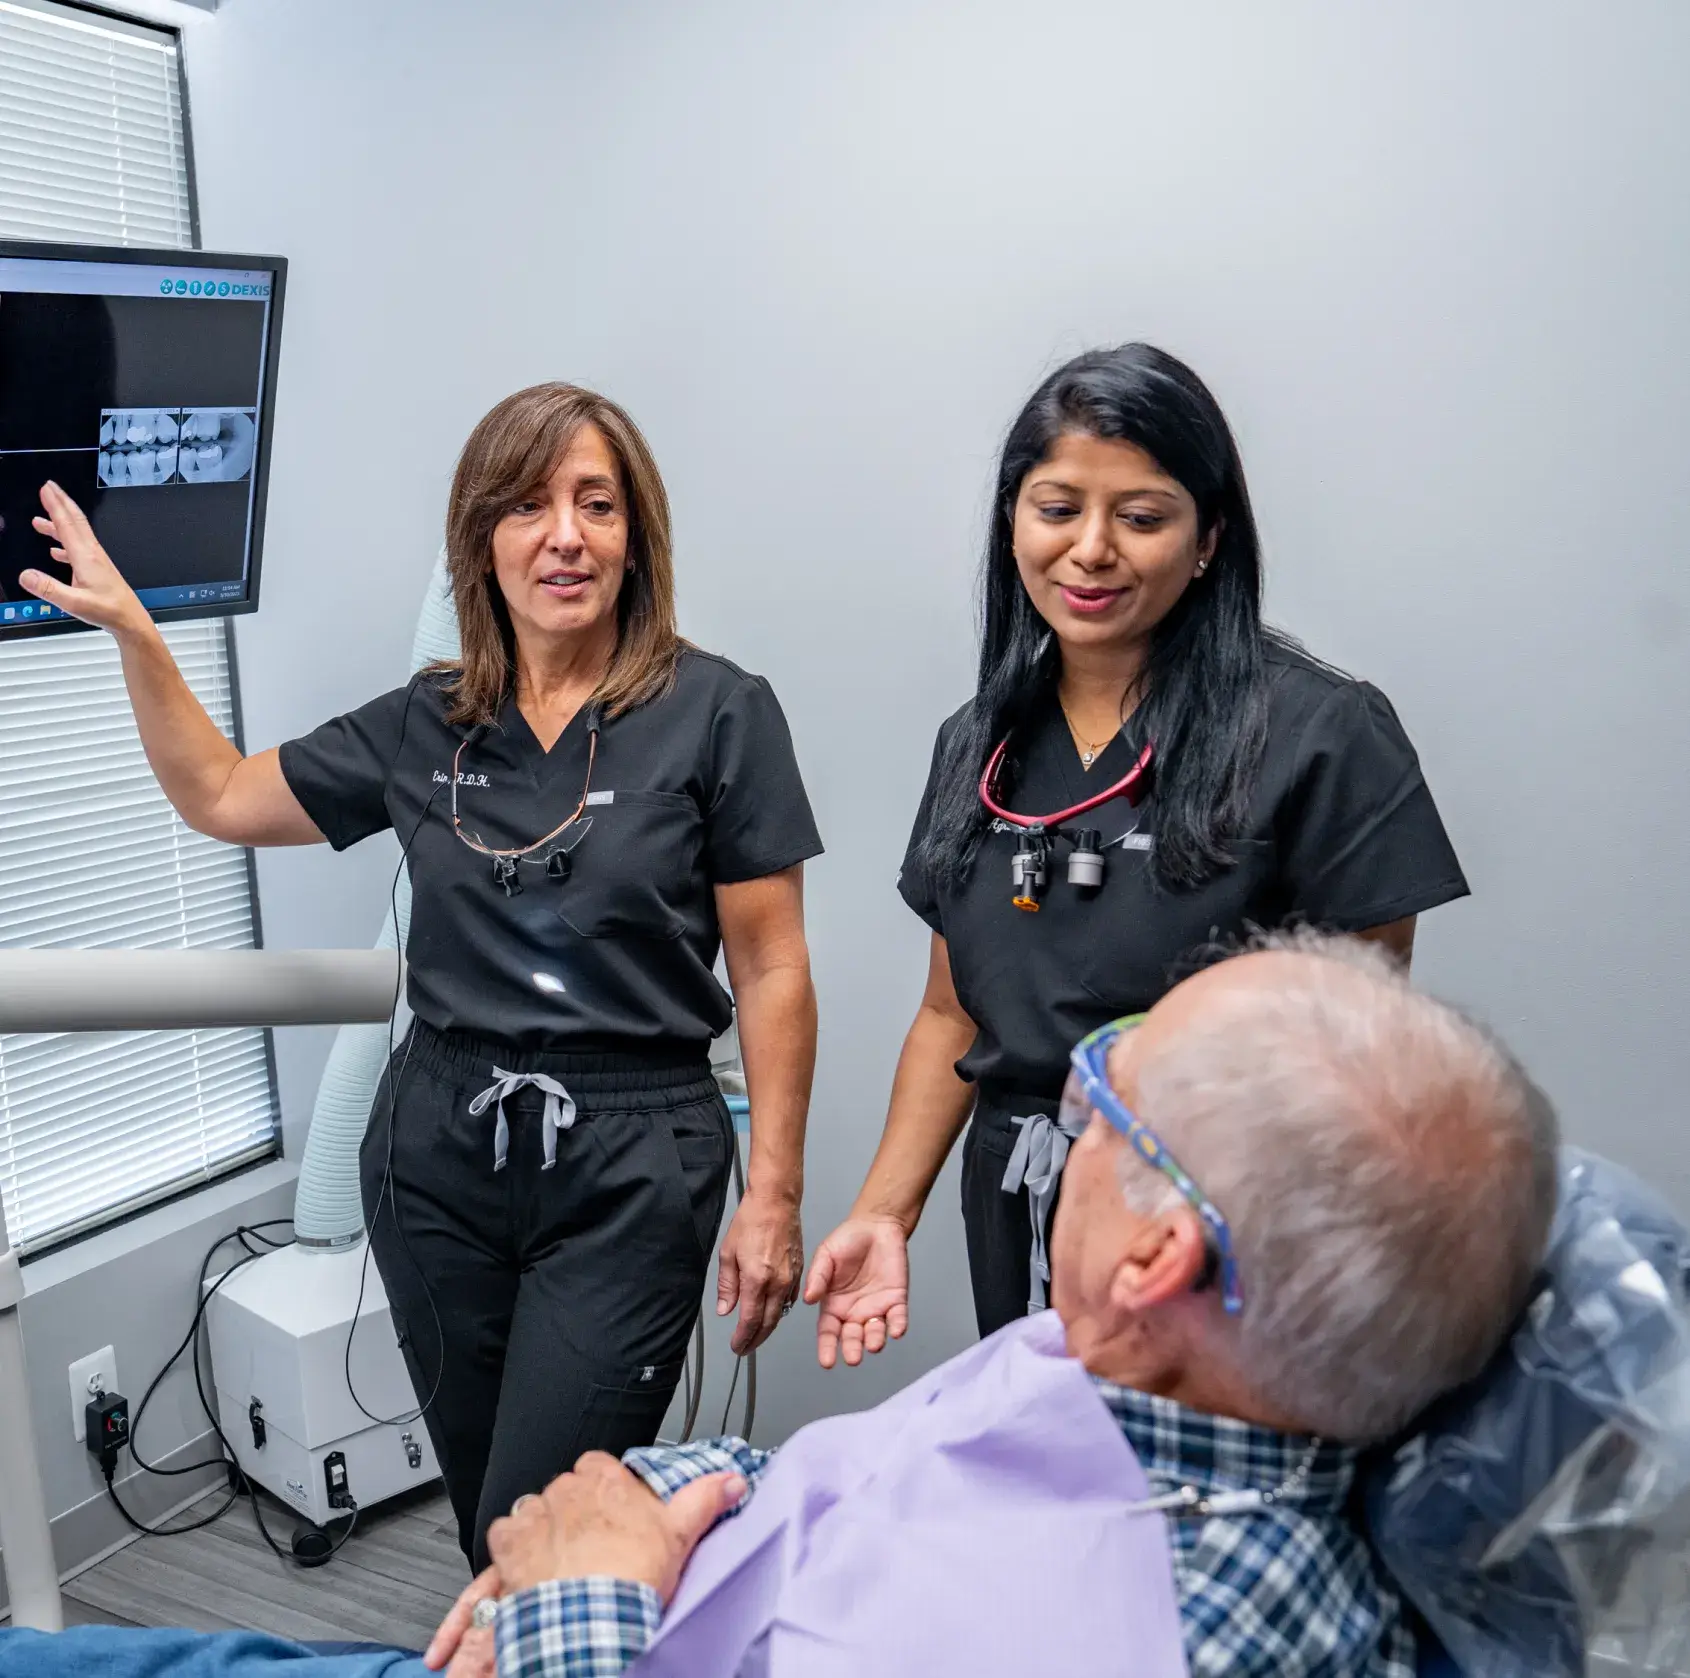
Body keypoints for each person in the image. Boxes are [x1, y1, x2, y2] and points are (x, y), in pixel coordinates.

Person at [19, 384, 822, 1569]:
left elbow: (771, 967)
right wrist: (143, 634)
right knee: (488, 1521)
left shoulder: (719, 714)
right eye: (529, 506)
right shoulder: (429, 721)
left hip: (629, 1162)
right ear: (479, 541)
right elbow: (223, 793)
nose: (565, 535)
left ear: (634, 534)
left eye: (596, 504)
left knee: (543, 1533)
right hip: (435, 1156)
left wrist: (777, 1198)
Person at [414, 934, 1558, 1678]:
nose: (1077, 1117)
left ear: (1155, 1258)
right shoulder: (1102, 1364)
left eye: (1105, 1095)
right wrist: (654, 1497)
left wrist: (583, 1607)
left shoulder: (1167, 1634)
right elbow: (864, 1482)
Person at [806, 342, 1472, 1364]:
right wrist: (882, 1216)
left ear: (1207, 539)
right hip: (1022, 1195)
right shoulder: (977, 742)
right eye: (1057, 507)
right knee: (1048, 1486)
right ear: (1011, 523)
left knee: (1175, 1503)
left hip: (1216, 1204)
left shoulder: (1319, 732)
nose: (1090, 550)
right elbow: (952, 1011)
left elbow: (1357, 1044)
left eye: (1142, 516)